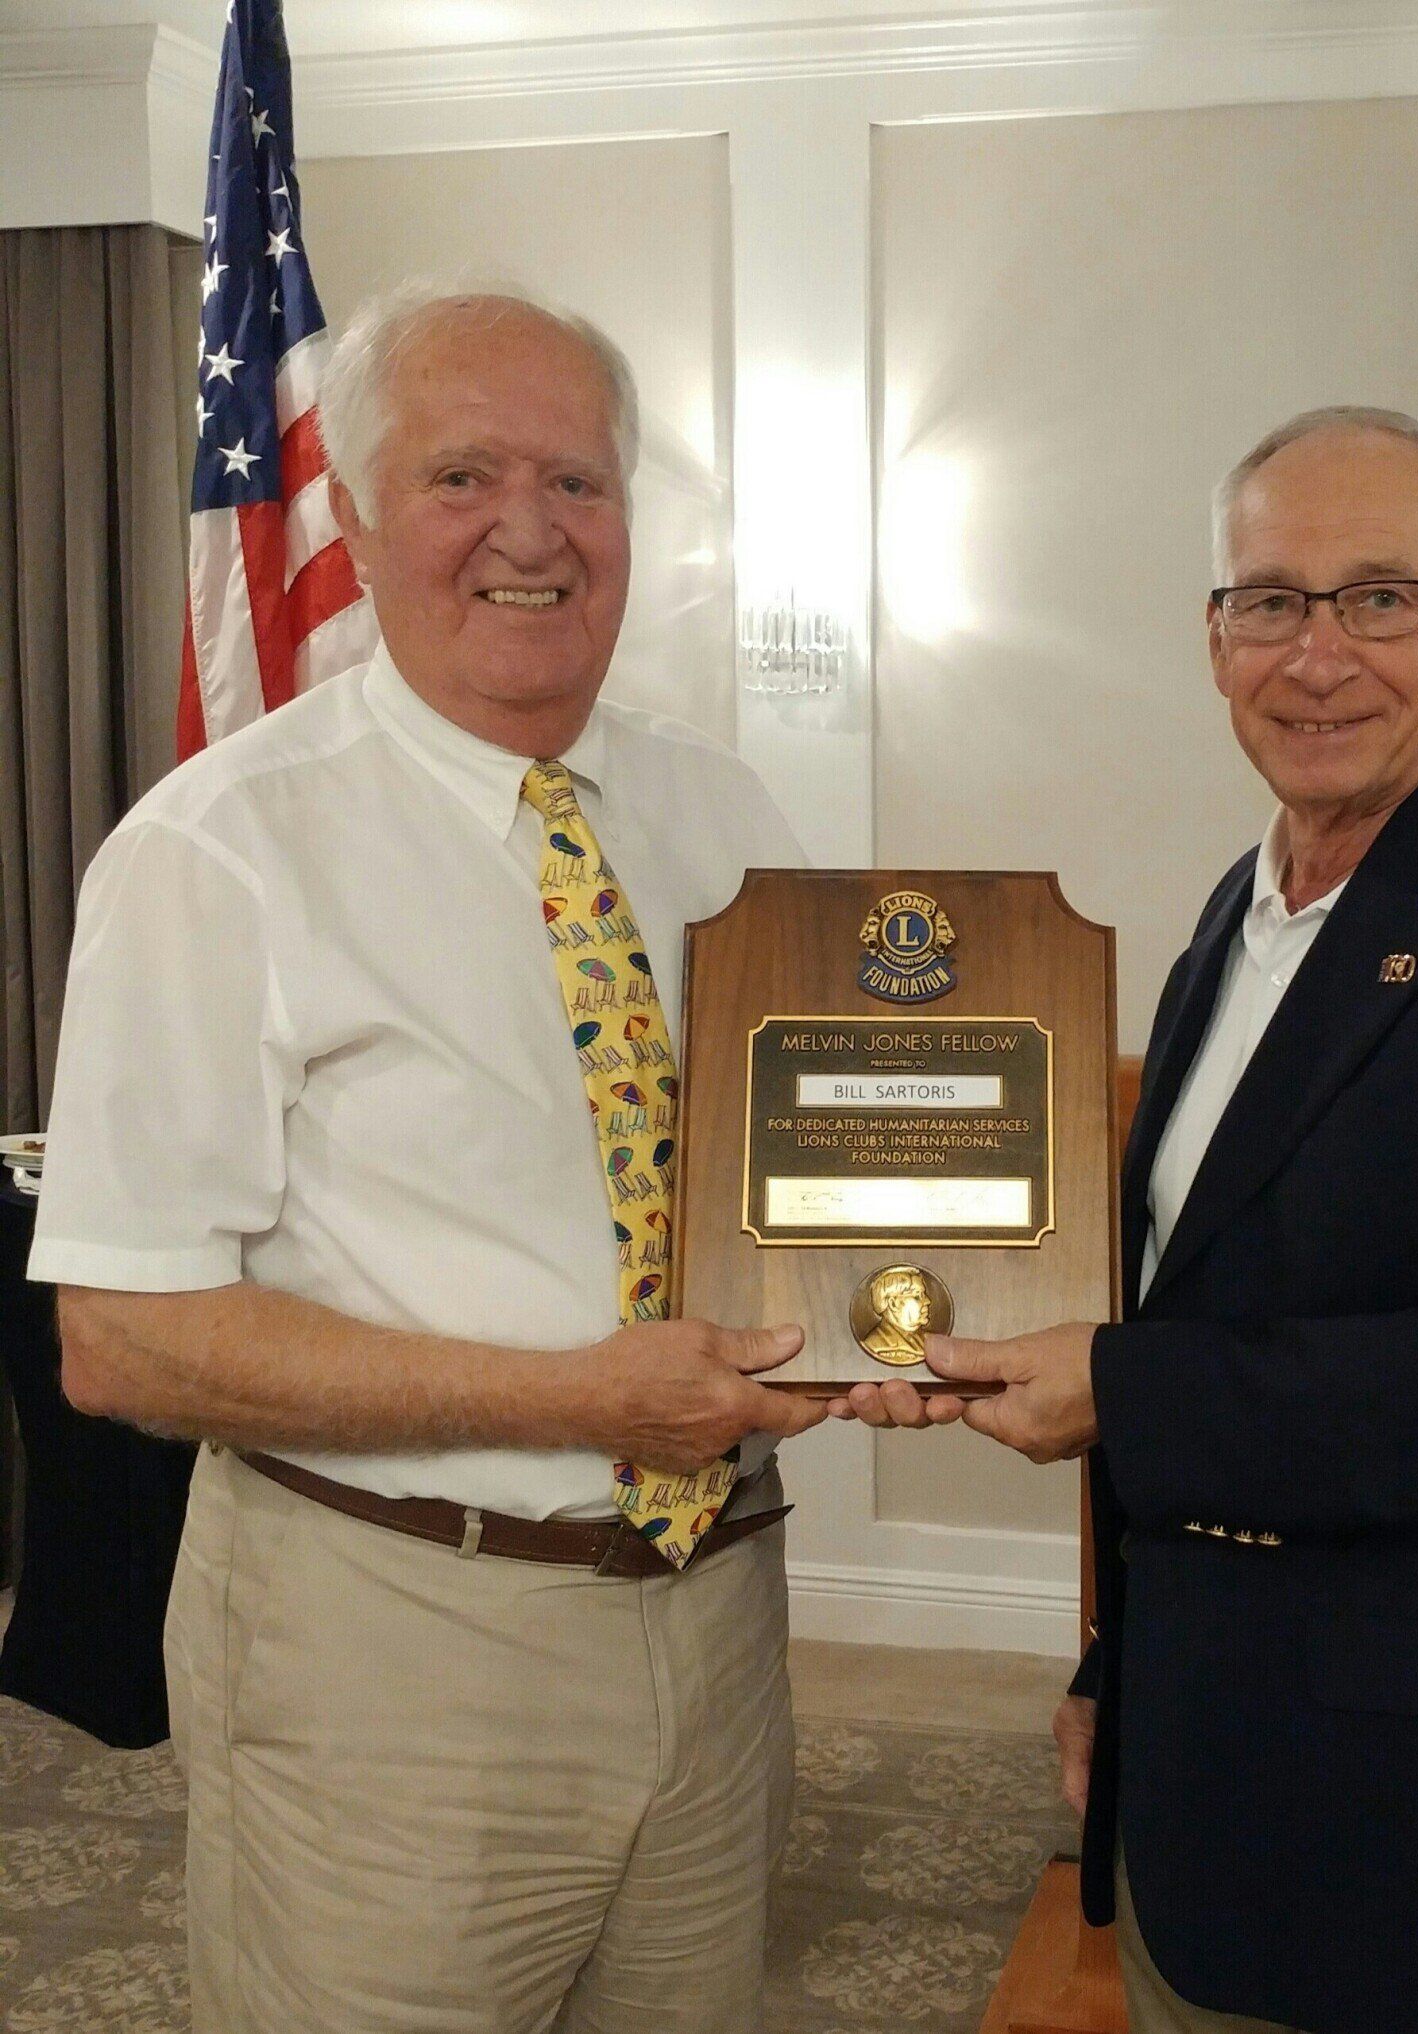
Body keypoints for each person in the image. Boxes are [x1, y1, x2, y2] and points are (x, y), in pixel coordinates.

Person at [836, 408, 1418, 2034]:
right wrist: (1123, 1668)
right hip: (1217, 1775)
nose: (1319, 654)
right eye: (1271, 600)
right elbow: (1193, 1303)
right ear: (1213, 637)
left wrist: (1113, 1387)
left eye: (1380, 596)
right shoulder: (1226, 924)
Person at [29, 283, 826, 2034]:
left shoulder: (732, 823)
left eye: (581, 481)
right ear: (360, 524)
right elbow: (125, 1334)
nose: (529, 531)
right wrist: (583, 1398)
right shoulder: (218, 855)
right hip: (390, 1635)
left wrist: (901, 1325)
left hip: (719, 1621)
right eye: (462, 475)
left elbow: (819, 1192)